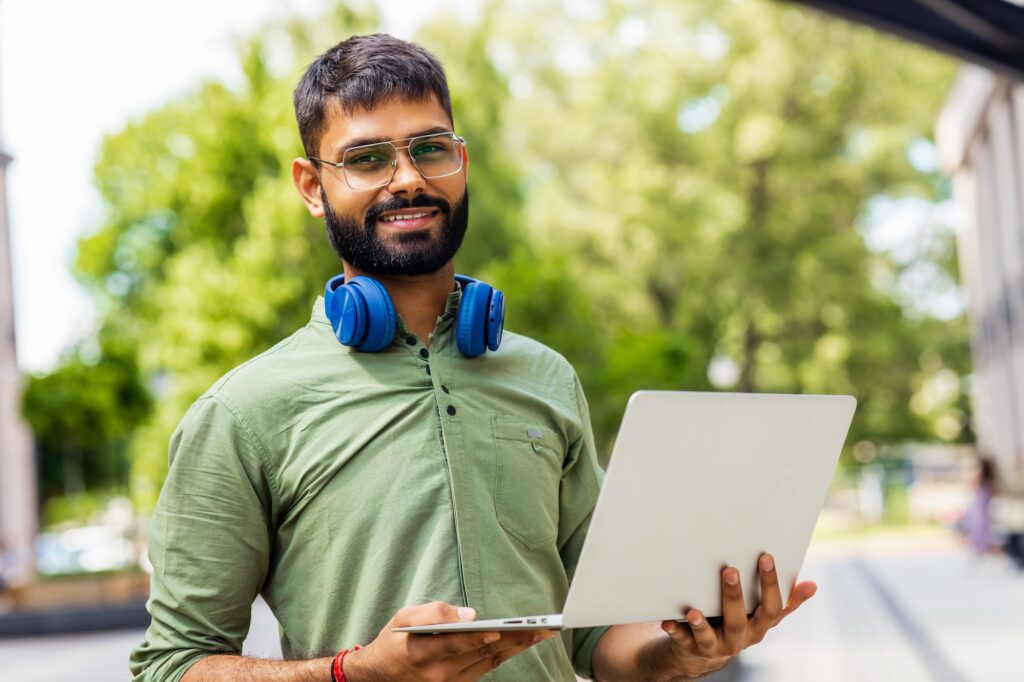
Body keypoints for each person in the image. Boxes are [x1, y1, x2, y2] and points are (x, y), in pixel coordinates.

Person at [129, 34, 816, 681]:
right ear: (312, 186)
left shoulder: (547, 377)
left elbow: (595, 638)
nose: (406, 179)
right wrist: (357, 672)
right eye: (367, 159)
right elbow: (173, 665)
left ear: (461, 160)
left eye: (429, 149)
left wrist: (686, 651)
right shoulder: (243, 412)